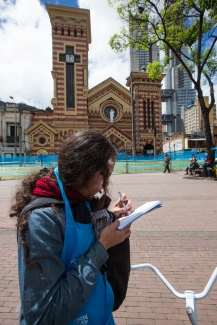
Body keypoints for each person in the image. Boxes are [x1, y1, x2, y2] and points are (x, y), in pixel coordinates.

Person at [10, 131, 133, 325]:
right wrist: (101, 247)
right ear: (84, 170)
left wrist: (110, 215)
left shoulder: (78, 199)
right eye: (104, 175)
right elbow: (45, 316)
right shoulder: (41, 220)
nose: (105, 185)